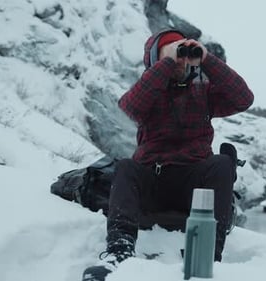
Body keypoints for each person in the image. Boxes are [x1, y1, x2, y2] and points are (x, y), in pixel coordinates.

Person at [82, 29, 254, 281]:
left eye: (184, 52)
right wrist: (168, 62)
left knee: (221, 163)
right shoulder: (150, 90)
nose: (182, 59)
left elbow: (243, 99)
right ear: (156, 61)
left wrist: (206, 59)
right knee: (126, 166)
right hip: (153, 179)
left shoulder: (202, 91)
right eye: (174, 53)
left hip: (193, 188)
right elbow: (131, 106)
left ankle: (208, 254)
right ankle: (118, 251)